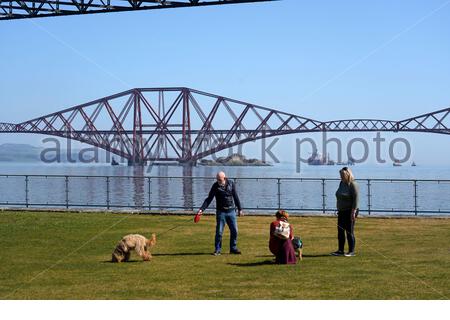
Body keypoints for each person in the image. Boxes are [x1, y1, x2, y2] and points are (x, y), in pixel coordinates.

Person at [196, 171, 243, 256]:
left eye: (220, 180)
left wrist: (240, 209)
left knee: (235, 231)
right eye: (217, 179)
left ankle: (233, 248)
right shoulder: (215, 186)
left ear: (224, 178)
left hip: (231, 211)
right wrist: (201, 209)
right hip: (221, 212)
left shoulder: (231, 183)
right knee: (219, 232)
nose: (218, 181)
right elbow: (209, 199)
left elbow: (236, 197)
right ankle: (217, 249)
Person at [331, 167, 359, 257]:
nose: (341, 177)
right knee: (340, 231)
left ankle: (351, 251)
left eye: (342, 175)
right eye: (340, 175)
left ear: (347, 175)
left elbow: (356, 199)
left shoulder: (353, 184)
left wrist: (353, 212)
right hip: (341, 211)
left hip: (350, 211)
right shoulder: (341, 183)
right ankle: (340, 250)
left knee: (349, 231)